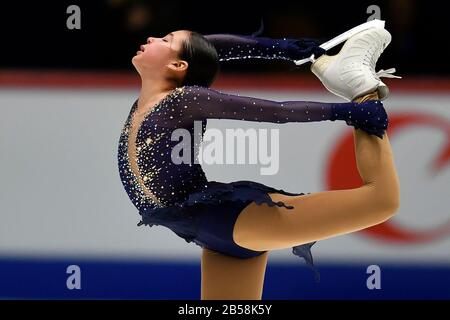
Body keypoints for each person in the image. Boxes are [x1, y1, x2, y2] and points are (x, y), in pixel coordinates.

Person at [117, 22, 400, 299]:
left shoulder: (183, 100)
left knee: (381, 201)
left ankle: (360, 87)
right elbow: (208, 49)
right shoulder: (151, 99)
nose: (153, 38)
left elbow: (277, 112)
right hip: (208, 231)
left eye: (165, 40)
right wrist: (282, 49)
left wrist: (347, 111)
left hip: (228, 221)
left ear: (178, 66)